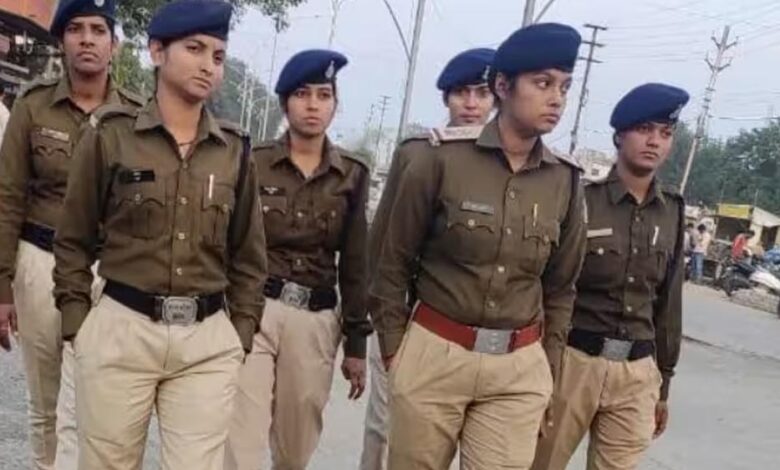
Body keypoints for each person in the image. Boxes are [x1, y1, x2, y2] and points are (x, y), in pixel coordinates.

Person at [52, 1, 267, 468]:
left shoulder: (234, 151)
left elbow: (249, 255)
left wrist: (240, 333)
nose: (208, 65)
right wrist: (78, 323)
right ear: (156, 51)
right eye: (194, 49)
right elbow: (72, 238)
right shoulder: (111, 135)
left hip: (206, 342)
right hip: (121, 329)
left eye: (217, 56)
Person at [369, 23, 586, 469]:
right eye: (542, 83)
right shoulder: (439, 159)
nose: (556, 98)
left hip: (518, 367)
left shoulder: (564, 180)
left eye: (564, 86)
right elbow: (390, 262)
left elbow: (561, 287)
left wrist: (547, 367)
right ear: (503, 86)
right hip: (435, 351)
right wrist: (395, 350)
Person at [0, 1, 145, 468]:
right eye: (77, 29)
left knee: (93, 402)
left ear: (114, 44)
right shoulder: (33, 105)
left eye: (98, 30)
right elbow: (8, 198)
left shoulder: (136, 117)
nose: (87, 39)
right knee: (44, 405)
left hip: (108, 275)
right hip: (40, 263)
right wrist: (3, 286)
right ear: (62, 40)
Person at [224, 49, 371, 470]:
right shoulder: (253, 162)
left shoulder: (352, 175)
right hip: (255, 311)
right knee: (241, 443)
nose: (313, 105)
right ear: (285, 102)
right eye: (302, 94)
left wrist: (356, 344)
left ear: (335, 105)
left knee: (296, 446)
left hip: (315, 320)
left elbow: (355, 264)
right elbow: (230, 241)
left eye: (324, 95)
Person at [531, 83, 688, 470]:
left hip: (637, 373)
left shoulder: (672, 210)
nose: (655, 141)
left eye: (666, 133)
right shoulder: (582, 200)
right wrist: (541, 367)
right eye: (645, 130)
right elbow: (549, 287)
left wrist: (663, 385)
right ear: (620, 136)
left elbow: (668, 304)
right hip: (574, 363)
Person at [359, 46, 496, 470]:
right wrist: (387, 330)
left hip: (471, 334)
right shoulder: (418, 153)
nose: (471, 104)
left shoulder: (508, 165)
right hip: (408, 320)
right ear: (446, 99)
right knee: (386, 431)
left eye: (482, 93)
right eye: (461, 93)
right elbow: (383, 244)